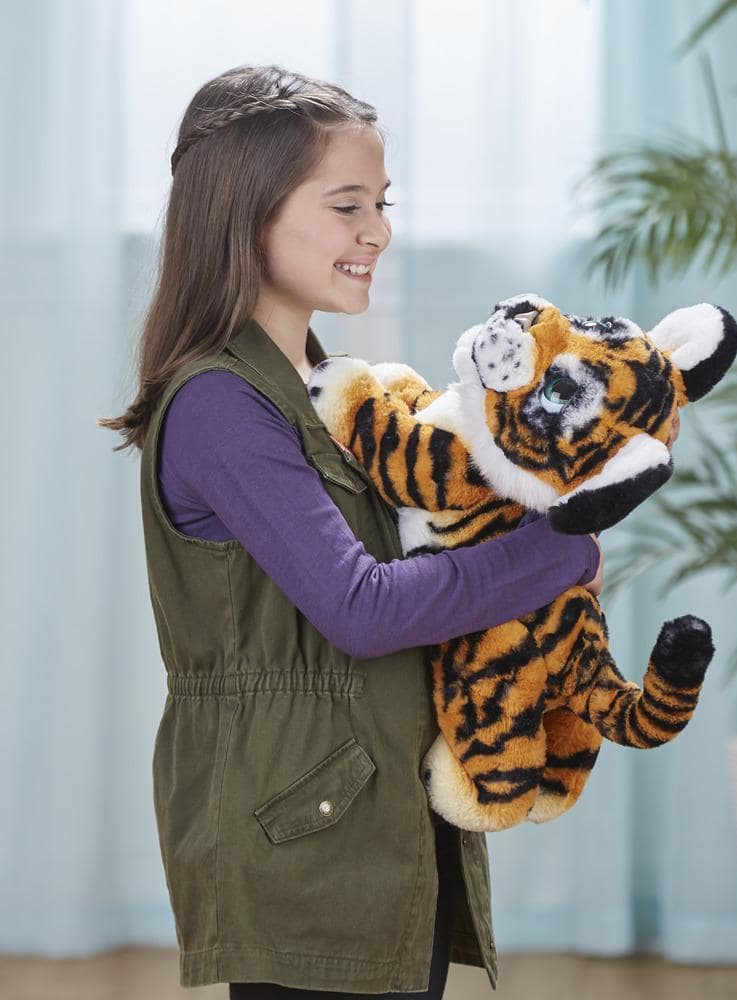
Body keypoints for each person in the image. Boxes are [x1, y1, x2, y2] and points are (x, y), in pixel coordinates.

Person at [98, 64, 648, 999]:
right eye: (348, 205)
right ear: (246, 214)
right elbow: (362, 608)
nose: (379, 232)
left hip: (368, 806)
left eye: (382, 204)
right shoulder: (220, 405)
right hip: (306, 831)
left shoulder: (320, 391)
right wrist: (559, 551)